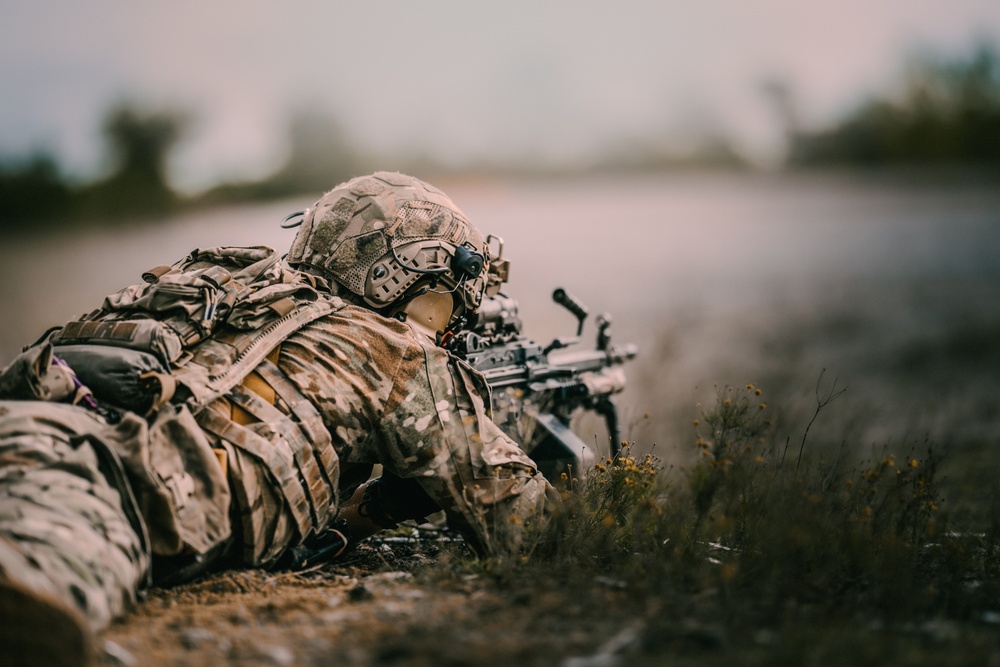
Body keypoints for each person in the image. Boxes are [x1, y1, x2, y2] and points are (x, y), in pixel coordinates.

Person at [0, 171, 558, 667]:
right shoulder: (397, 353)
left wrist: (372, 511)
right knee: (32, 588)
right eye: (448, 303)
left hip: (32, 411)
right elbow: (533, 530)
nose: (450, 325)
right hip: (133, 479)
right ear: (410, 277)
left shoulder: (230, 281)